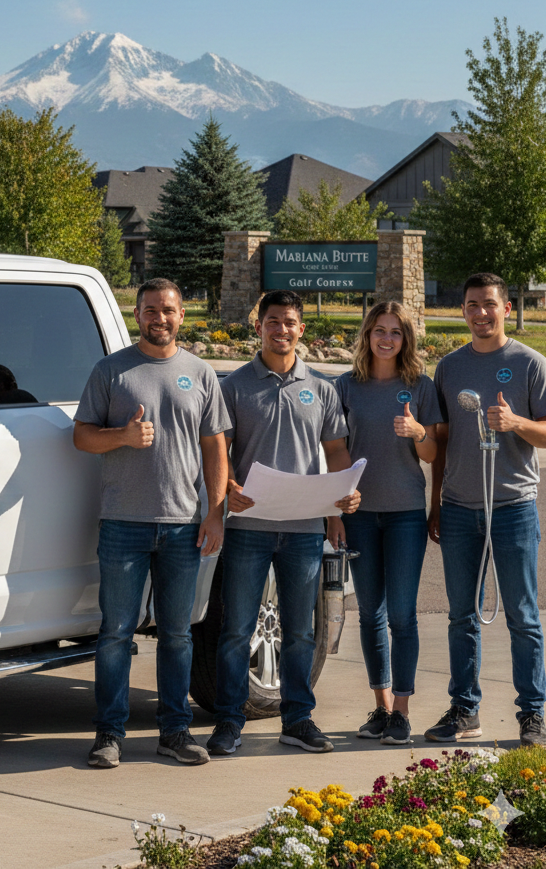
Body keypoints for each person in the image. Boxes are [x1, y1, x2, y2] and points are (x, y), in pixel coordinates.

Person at [73, 277, 230, 768]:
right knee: (117, 631)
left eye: (168, 310)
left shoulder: (201, 373)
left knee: (178, 634)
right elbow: (81, 437)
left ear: (182, 316)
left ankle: (174, 733)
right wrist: (121, 435)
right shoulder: (111, 371)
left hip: (184, 524)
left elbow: (215, 448)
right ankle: (109, 734)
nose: (159, 318)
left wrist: (216, 513)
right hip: (124, 523)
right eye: (150, 310)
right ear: (136, 315)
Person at [207, 289, 360, 757]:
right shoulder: (233, 387)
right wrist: (229, 486)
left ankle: (297, 719)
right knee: (236, 629)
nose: (282, 330)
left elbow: (336, 454)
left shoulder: (322, 388)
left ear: (301, 329)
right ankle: (230, 721)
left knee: (299, 631)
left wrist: (338, 508)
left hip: (303, 528)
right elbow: (220, 452)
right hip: (248, 526)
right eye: (273, 322)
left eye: (290, 322)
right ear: (260, 327)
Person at [426, 272, 546, 747]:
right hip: (460, 507)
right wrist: (436, 502)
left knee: (523, 616)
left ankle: (532, 715)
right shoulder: (450, 367)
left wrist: (515, 421)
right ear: (462, 311)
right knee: (461, 615)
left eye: (488, 304)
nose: (480, 313)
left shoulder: (529, 363)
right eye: (471, 305)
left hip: (513, 507)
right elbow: (439, 444)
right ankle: (465, 710)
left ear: (505, 308)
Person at [334, 301, 442, 745]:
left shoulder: (420, 386)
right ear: (367, 335)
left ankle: (402, 710)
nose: (386, 339)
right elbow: (333, 452)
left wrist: (419, 434)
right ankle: (379, 708)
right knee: (369, 613)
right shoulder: (345, 387)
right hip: (359, 514)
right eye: (379, 330)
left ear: (406, 339)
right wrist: (334, 512)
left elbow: (435, 454)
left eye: (395, 332)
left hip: (404, 515)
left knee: (402, 614)